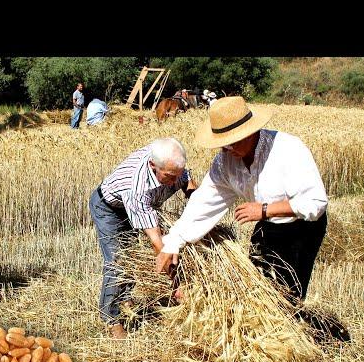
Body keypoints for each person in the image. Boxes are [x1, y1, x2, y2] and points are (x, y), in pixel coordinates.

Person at [156, 96, 347, 340]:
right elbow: (204, 201)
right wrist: (174, 241)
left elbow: (315, 203)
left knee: (288, 295)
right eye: (222, 144)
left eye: (231, 143)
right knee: (258, 289)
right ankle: (264, 340)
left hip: (303, 228)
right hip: (267, 225)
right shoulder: (225, 161)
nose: (227, 149)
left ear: (250, 132)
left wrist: (265, 210)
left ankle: (297, 343)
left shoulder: (288, 149)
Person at [89, 138, 197, 338]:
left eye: (177, 175)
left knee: (131, 254)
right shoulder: (137, 187)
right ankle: (111, 318)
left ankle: (125, 298)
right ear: (152, 166)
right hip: (110, 209)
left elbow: (187, 178)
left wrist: (196, 201)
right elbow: (159, 245)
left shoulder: (171, 162)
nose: (175, 182)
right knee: (119, 261)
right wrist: (177, 284)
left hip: (135, 206)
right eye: (170, 177)